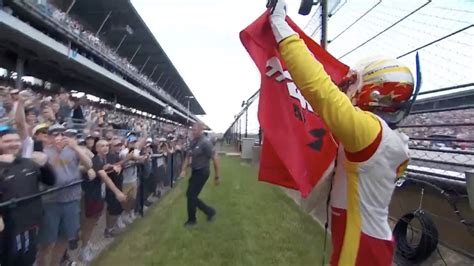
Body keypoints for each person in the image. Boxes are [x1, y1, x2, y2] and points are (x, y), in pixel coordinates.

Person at [269, 1, 412, 265]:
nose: (347, 87)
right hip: (367, 240)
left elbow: (321, 91)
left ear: (376, 92)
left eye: (354, 83)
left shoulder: (371, 132)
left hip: (361, 248)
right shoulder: (384, 137)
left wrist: (281, 28)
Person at [0, 125, 55, 266]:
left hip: (31, 222)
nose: (13, 144)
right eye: (7, 141)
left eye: (16, 140)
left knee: (28, 259)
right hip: (9, 227)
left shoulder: (28, 161)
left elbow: (50, 181)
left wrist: (45, 165)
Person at [180, 122, 220, 227]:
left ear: (201, 130)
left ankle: (192, 220)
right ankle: (209, 211)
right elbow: (188, 156)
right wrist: (184, 169)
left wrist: (217, 176)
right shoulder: (193, 142)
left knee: (191, 195)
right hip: (195, 171)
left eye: (195, 130)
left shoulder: (205, 143)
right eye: (192, 130)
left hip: (202, 172)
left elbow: (215, 158)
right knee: (191, 195)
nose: (193, 132)